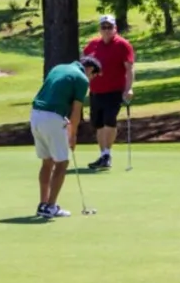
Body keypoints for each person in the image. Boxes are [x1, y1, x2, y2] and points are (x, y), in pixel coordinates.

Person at [30, 56, 102, 218]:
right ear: (90, 68)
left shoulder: (58, 67)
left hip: (35, 115)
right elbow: (76, 110)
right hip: (52, 118)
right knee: (62, 162)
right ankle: (51, 206)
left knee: (47, 161)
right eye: (94, 75)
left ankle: (43, 204)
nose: (91, 79)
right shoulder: (82, 78)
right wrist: (73, 135)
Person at [82, 15, 136, 170]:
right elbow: (84, 65)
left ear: (115, 29)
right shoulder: (92, 45)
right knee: (98, 124)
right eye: (103, 27)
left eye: (109, 27)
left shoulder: (123, 45)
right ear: (100, 29)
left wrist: (129, 88)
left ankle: (107, 154)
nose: (106, 30)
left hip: (114, 91)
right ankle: (103, 155)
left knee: (109, 120)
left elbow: (129, 68)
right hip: (96, 91)